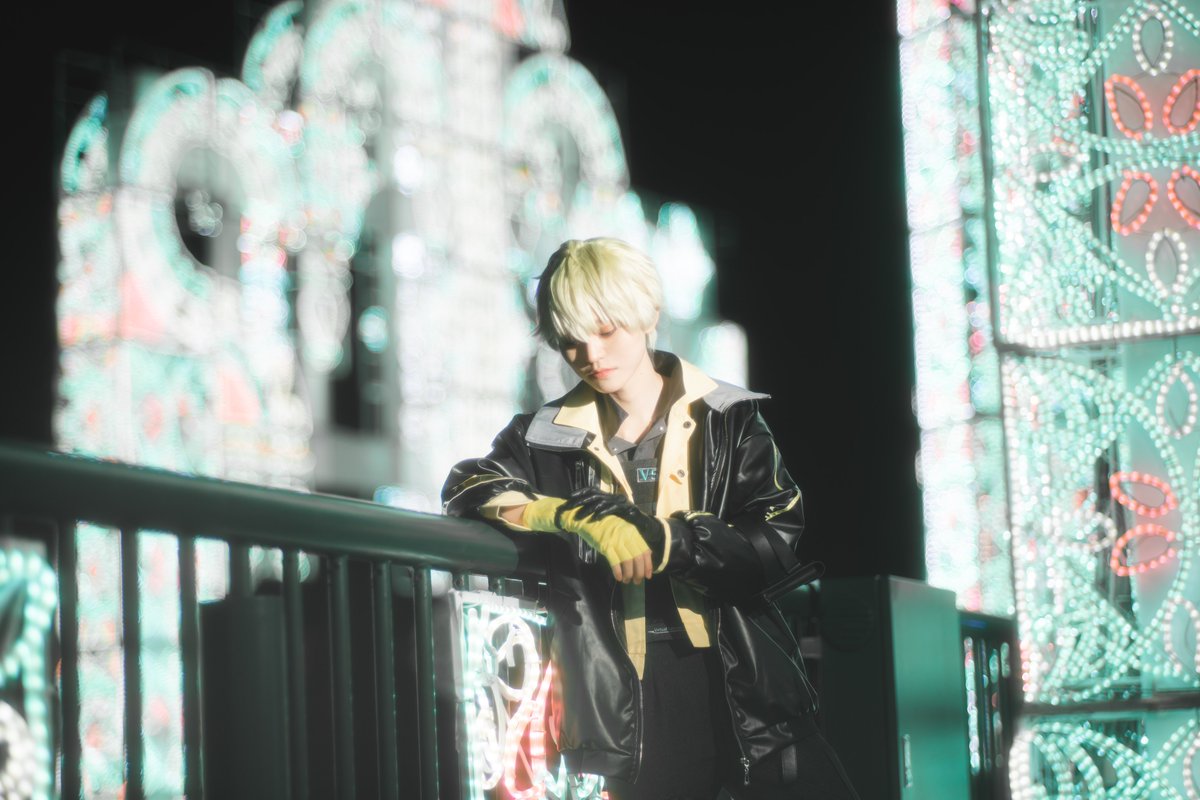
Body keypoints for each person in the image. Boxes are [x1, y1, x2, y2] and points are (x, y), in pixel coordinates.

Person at [443, 238, 859, 799]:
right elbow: (468, 487)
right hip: (624, 698)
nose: (590, 354)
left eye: (606, 330)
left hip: (744, 678)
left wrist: (666, 541)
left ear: (647, 313)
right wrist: (572, 517)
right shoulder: (540, 436)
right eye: (571, 341)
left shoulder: (728, 418)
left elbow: (776, 537)